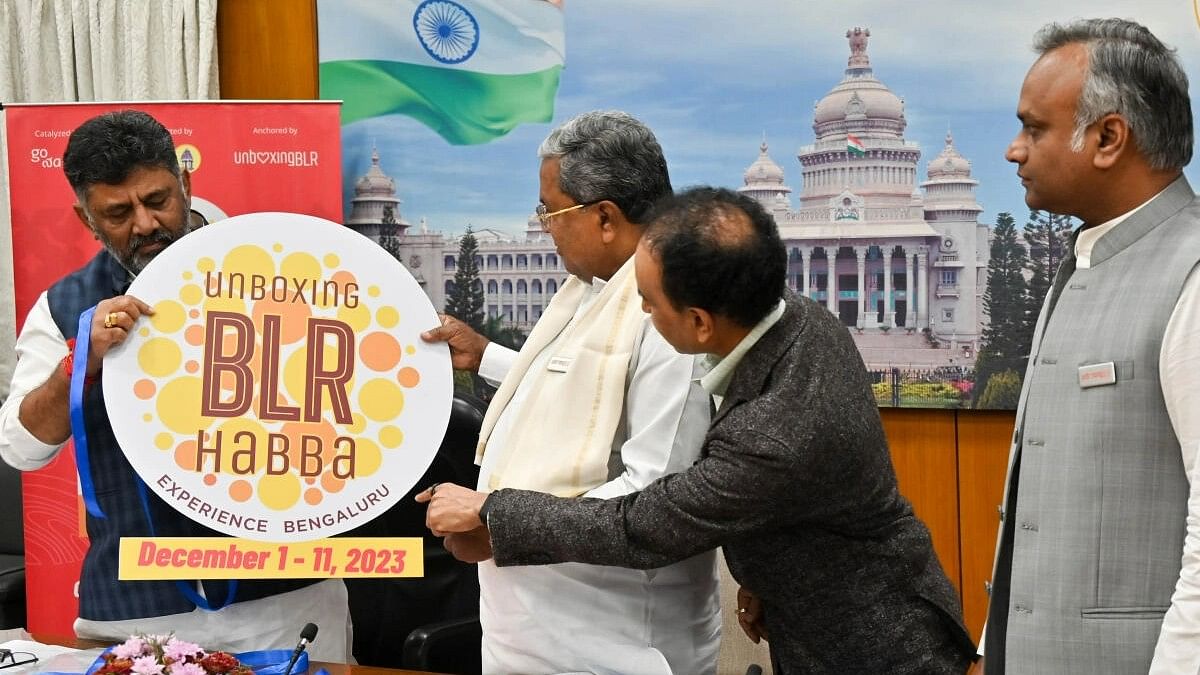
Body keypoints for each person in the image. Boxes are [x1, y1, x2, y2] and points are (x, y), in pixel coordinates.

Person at [420, 186, 975, 673]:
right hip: (829, 611)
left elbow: (646, 523)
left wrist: (494, 512)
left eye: (648, 304)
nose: (640, 313)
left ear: (699, 322)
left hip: (869, 647)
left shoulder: (773, 440)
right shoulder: (799, 319)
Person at [0, 110, 351, 659]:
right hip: (136, 612)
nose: (144, 224)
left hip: (286, 599)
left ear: (185, 183)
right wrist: (80, 361)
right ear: (85, 217)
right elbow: (20, 449)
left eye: (158, 199)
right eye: (117, 212)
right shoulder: (65, 305)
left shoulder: (287, 270)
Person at [419, 110, 719, 674]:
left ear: (605, 217)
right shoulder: (594, 289)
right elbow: (574, 386)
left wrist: (495, 522)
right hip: (537, 636)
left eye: (549, 210)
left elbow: (654, 498)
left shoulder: (673, 313)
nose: (545, 225)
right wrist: (485, 356)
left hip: (613, 644)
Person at [976, 18, 1200, 674]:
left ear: (1108, 137)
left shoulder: (1191, 272)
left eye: (1034, 128)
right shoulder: (1081, 265)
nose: (1015, 151)